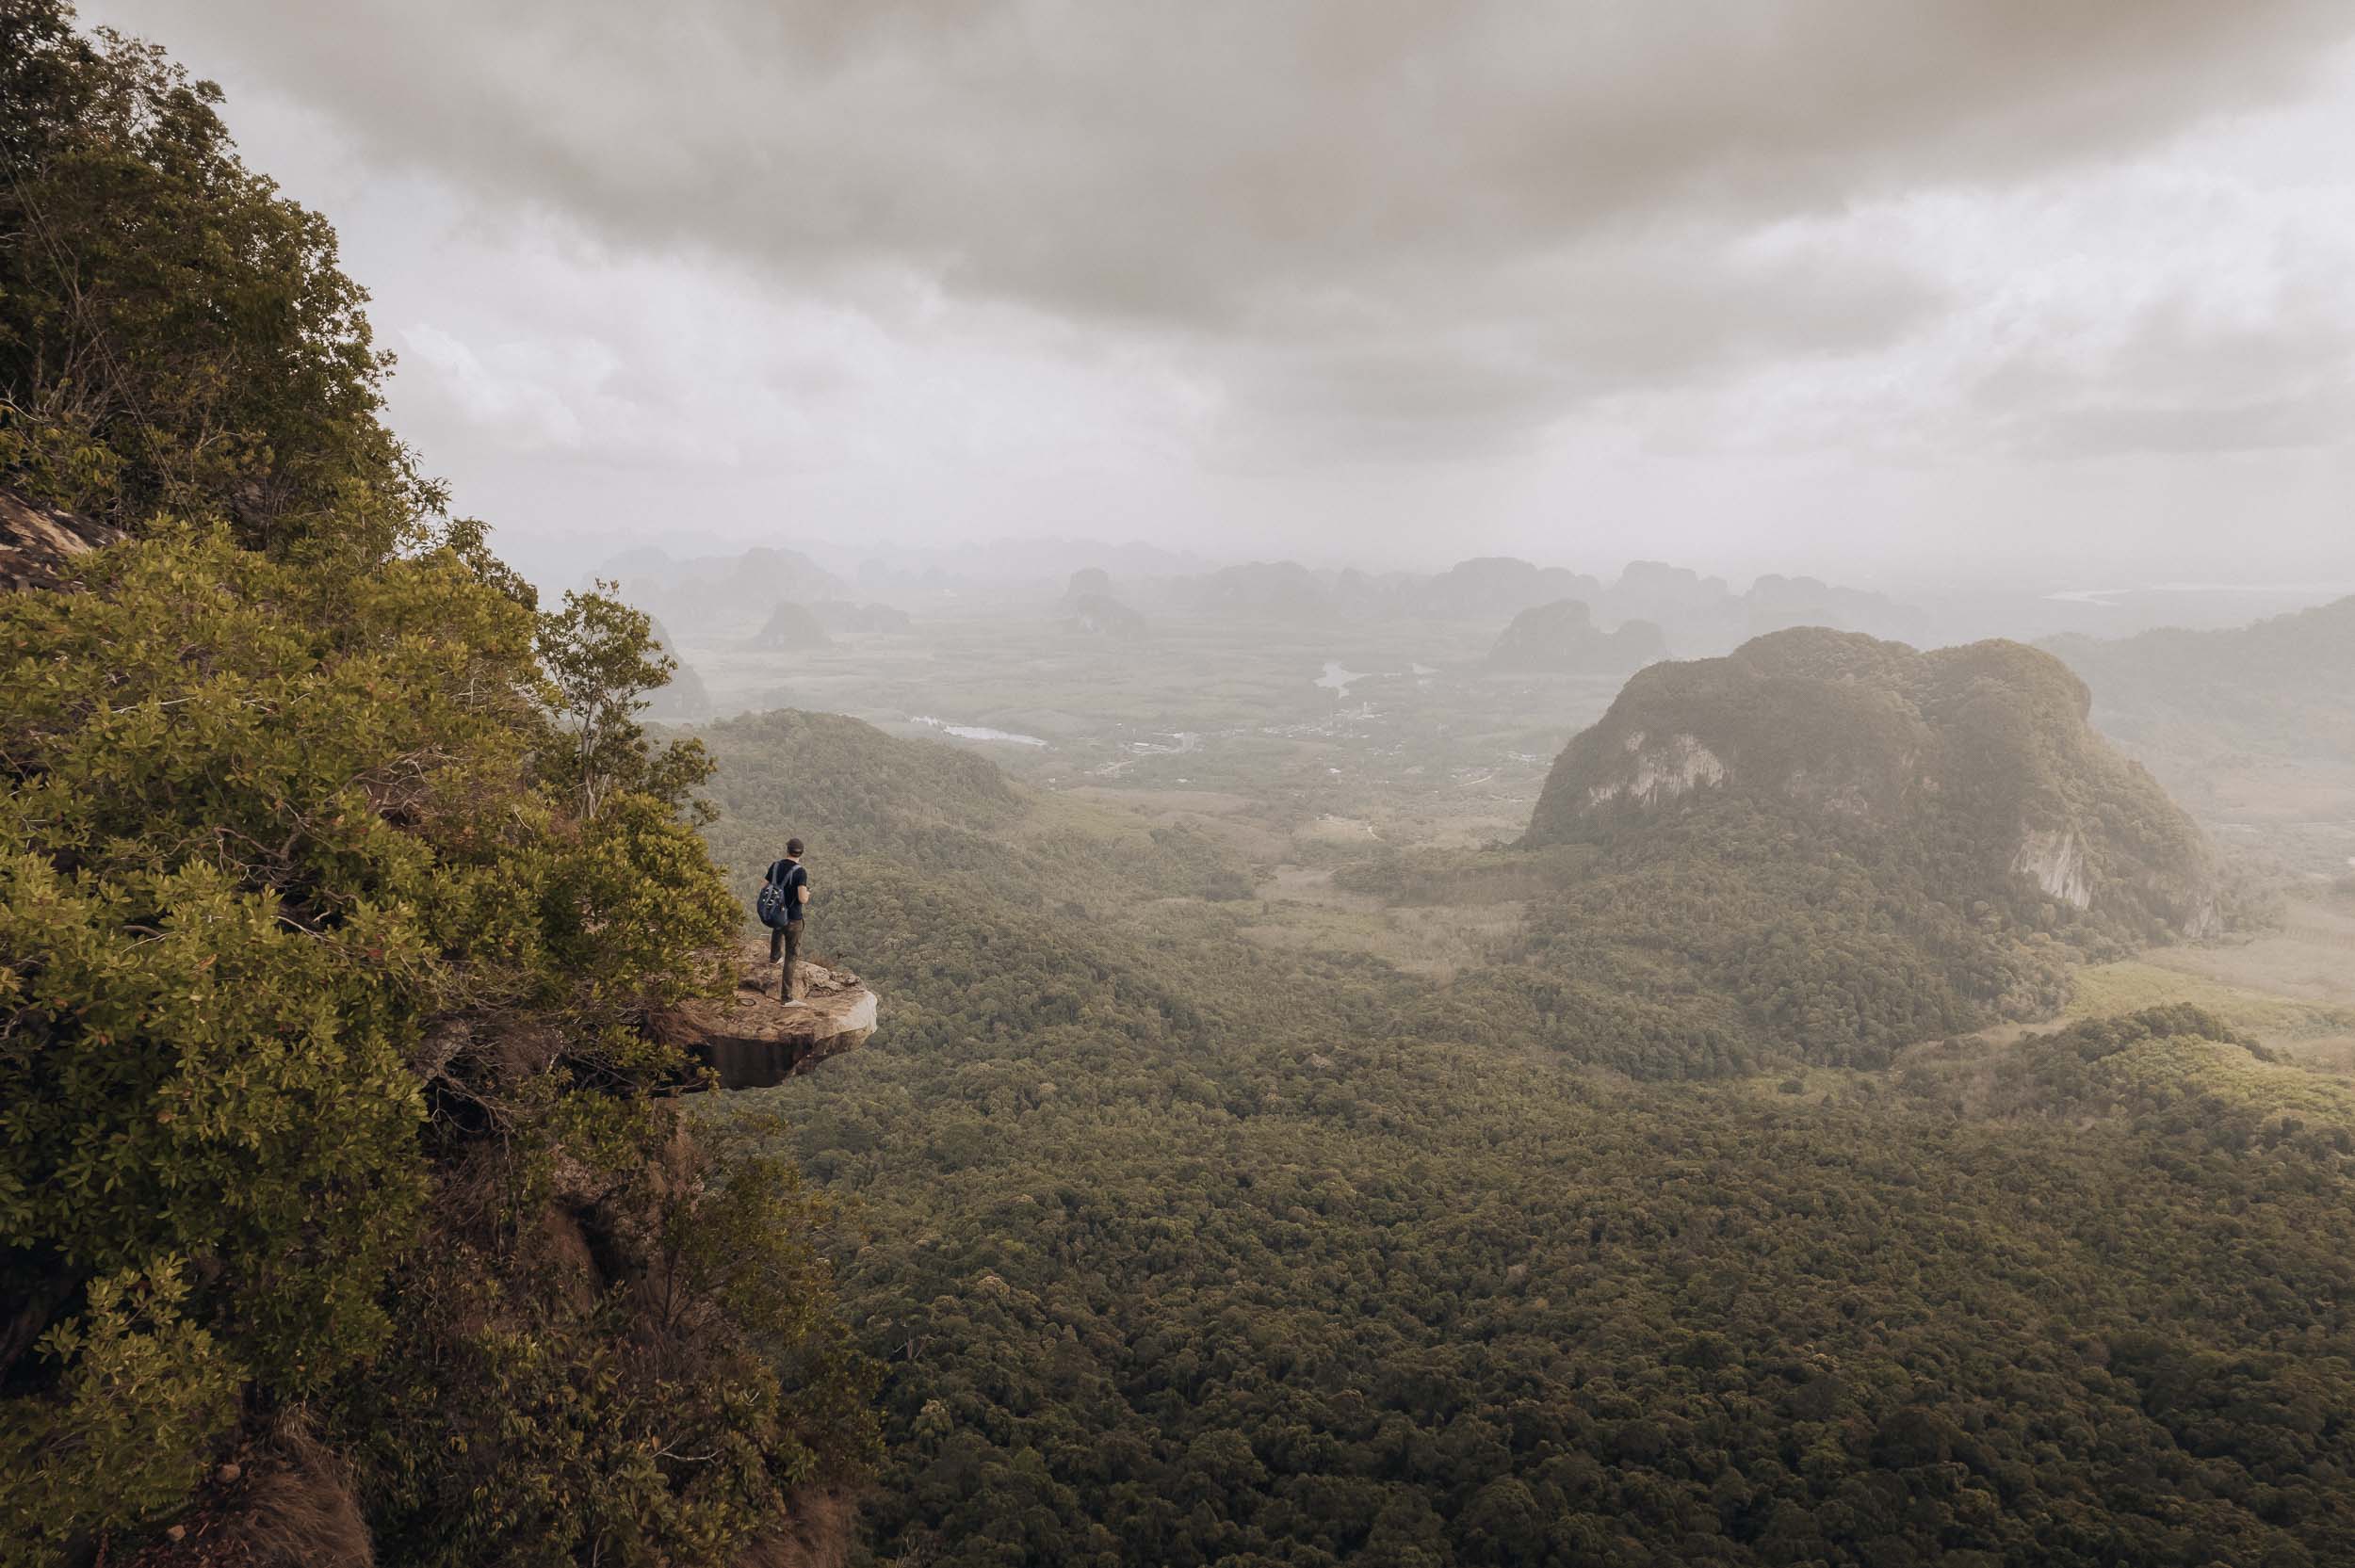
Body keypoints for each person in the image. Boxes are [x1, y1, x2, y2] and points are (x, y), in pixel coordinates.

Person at [762, 838, 812, 1000]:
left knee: (778, 928)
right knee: (791, 955)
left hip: (776, 914)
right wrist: (808, 895)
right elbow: (802, 898)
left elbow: (765, 887)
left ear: (787, 850)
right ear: (801, 853)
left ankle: (775, 956)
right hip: (793, 918)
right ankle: (787, 997)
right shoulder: (800, 872)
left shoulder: (775, 866)